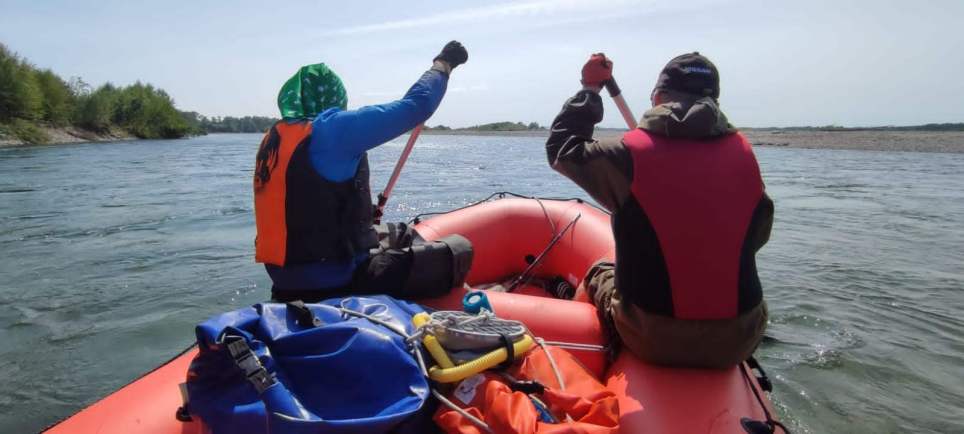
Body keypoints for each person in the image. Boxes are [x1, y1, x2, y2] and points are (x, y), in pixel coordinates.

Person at [545, 52, 773, 368]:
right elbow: (758, 236)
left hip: (651, 338)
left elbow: (561, 149)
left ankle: (589, 357)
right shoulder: (745, 155)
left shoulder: (627, 154)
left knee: (599, 271)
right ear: (714, 102)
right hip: (740, 338)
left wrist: (590, 90)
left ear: (658, 97)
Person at [254, 41, 473, 303]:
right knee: (460, 249)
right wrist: (443, 64)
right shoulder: (331, 130)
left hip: (286, 280)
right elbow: (418, 105)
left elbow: (309, 202)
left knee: (401, 232)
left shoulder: (275, 138)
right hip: (339, 282)